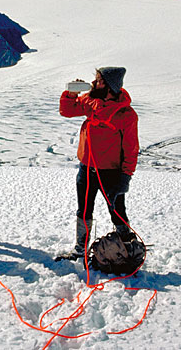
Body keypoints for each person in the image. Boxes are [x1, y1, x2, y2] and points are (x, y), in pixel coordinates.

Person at [57, 66, 139, 260]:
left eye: (100, 80)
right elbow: (67, 111)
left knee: (117, 210)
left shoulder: (126, 115)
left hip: (112, 172)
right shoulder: (90, 100)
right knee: (84, 209)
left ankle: (127, 248)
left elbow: (131, 148)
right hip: (86, 168)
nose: (95, 83)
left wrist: (125, 177)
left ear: (110, 85)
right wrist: (71, 93)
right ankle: (80, 248)